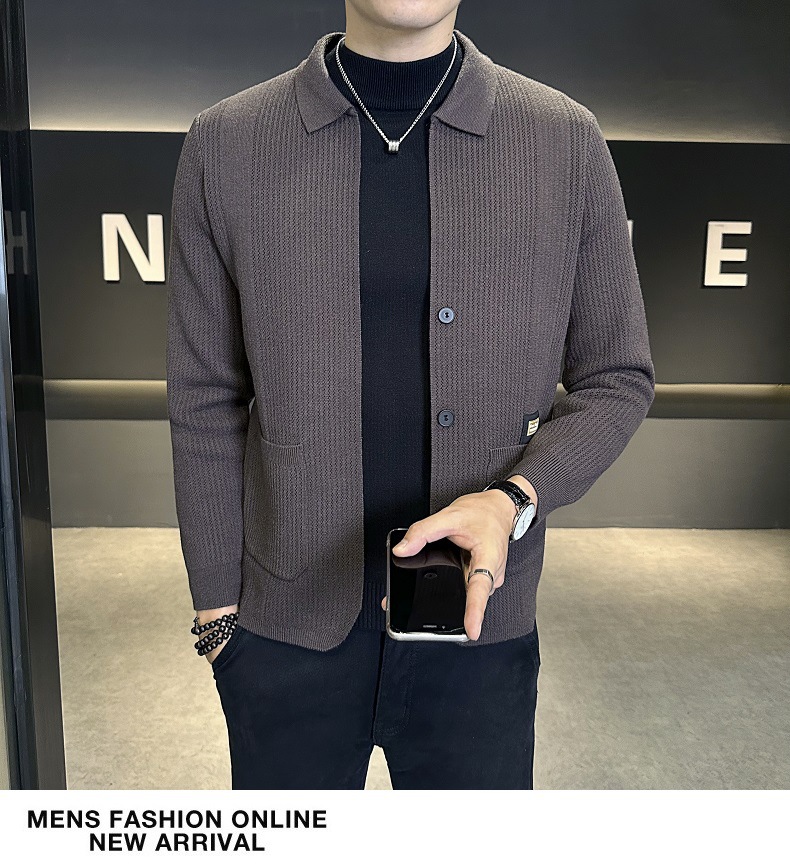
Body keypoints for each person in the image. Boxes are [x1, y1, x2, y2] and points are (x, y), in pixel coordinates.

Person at [166, 0, 655, 790]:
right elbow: (203, 396)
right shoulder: (227, 142)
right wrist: (218, 615)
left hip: (481, 626)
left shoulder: (564, 140)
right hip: (284, 633)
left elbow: (616, 376)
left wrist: (514, 500)